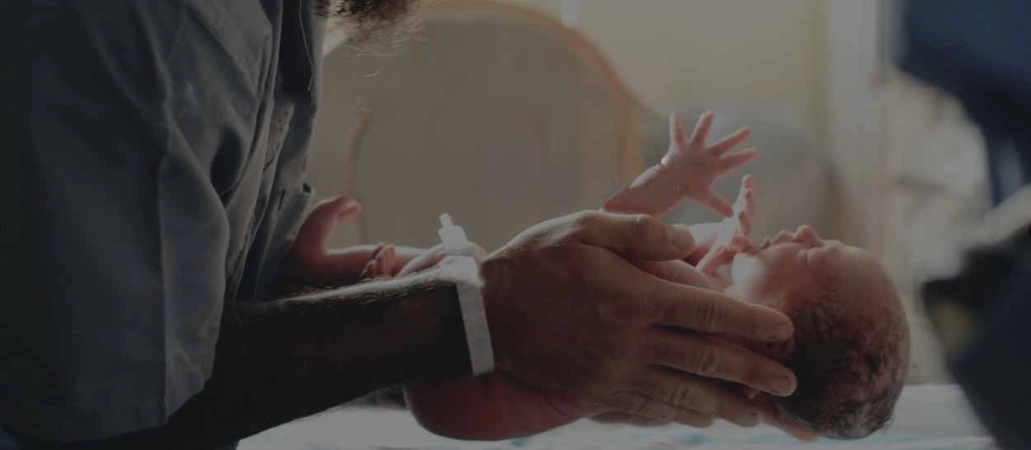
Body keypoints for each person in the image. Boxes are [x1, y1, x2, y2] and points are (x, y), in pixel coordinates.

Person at [0, 1, 798, 449]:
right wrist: (468, 316)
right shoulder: (156, 29)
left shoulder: (277, 21)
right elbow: (112, 419)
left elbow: (181, 328)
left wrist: (315, 294)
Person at [393, 113, 909, 441]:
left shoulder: (688, 314)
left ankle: (349, 271)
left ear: (775, 338)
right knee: (435, 266)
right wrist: (724, 245)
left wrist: (671, 178)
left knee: (444, 264)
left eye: (818, 255)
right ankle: (342, 269)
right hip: (463, 401)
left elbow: (602, 234)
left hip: (468, 380)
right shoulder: (706, 367)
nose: (807, 231)